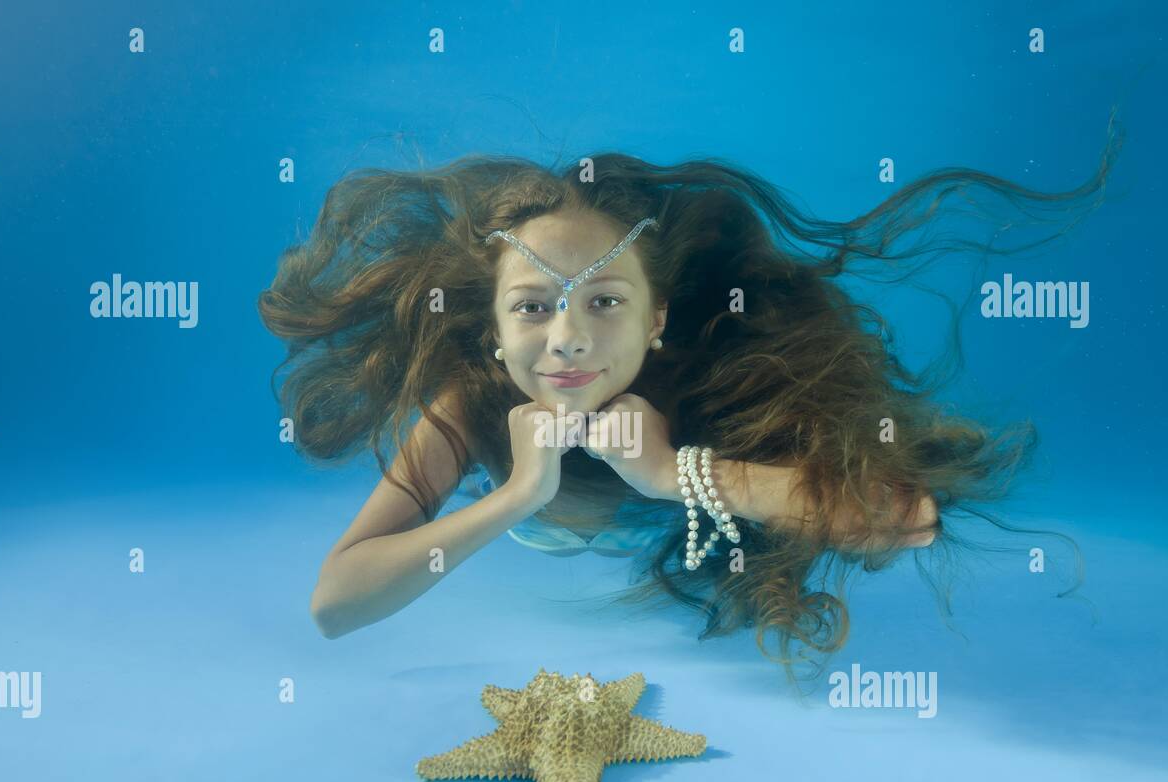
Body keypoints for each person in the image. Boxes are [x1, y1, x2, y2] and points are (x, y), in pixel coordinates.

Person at [258, 119, 1121, 682]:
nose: (566, 339)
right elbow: (334, 604)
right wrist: (519, 497)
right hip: (542, 500)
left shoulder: (715, 371)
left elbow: (904, 518)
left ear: (657, 317)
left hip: (691, 488)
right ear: (491, 331)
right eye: (532, 307)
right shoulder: (472, 399)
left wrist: (677, 472)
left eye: (605, 301)